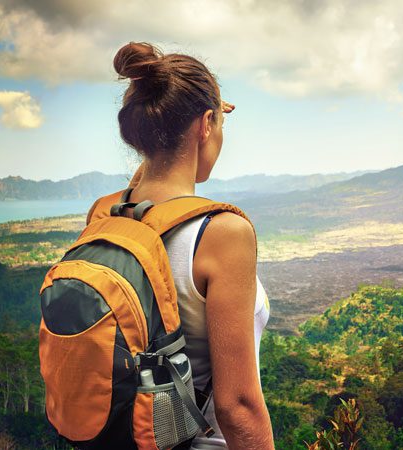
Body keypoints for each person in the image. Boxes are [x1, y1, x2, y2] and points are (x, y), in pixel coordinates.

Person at [113, 41, 274, 450]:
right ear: (206, 125)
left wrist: (204, 109)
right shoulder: (222, 233)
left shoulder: (112, 215)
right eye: (217, 123)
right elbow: (237, 406)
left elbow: (150, 178)